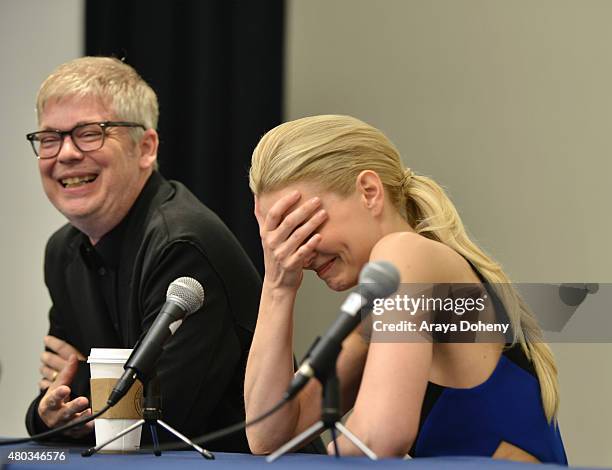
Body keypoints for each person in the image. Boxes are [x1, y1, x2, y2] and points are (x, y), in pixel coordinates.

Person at [244, 114, 568, 463]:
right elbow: (269, 434)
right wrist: (278, 284)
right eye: (279, 238)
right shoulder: (383, 308)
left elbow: (378, 437)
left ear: (369, 192)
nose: (296, 253)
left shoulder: (405, 253)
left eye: (302, 226)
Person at [24, 56, 261, 451]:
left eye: (89, 133)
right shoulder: (62, 251)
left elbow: (159, 418)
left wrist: (86, 380)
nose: (65, 153)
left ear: (146, 148)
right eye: (50, 138)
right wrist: (47, 413)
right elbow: (57, 394)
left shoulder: (182, 245)